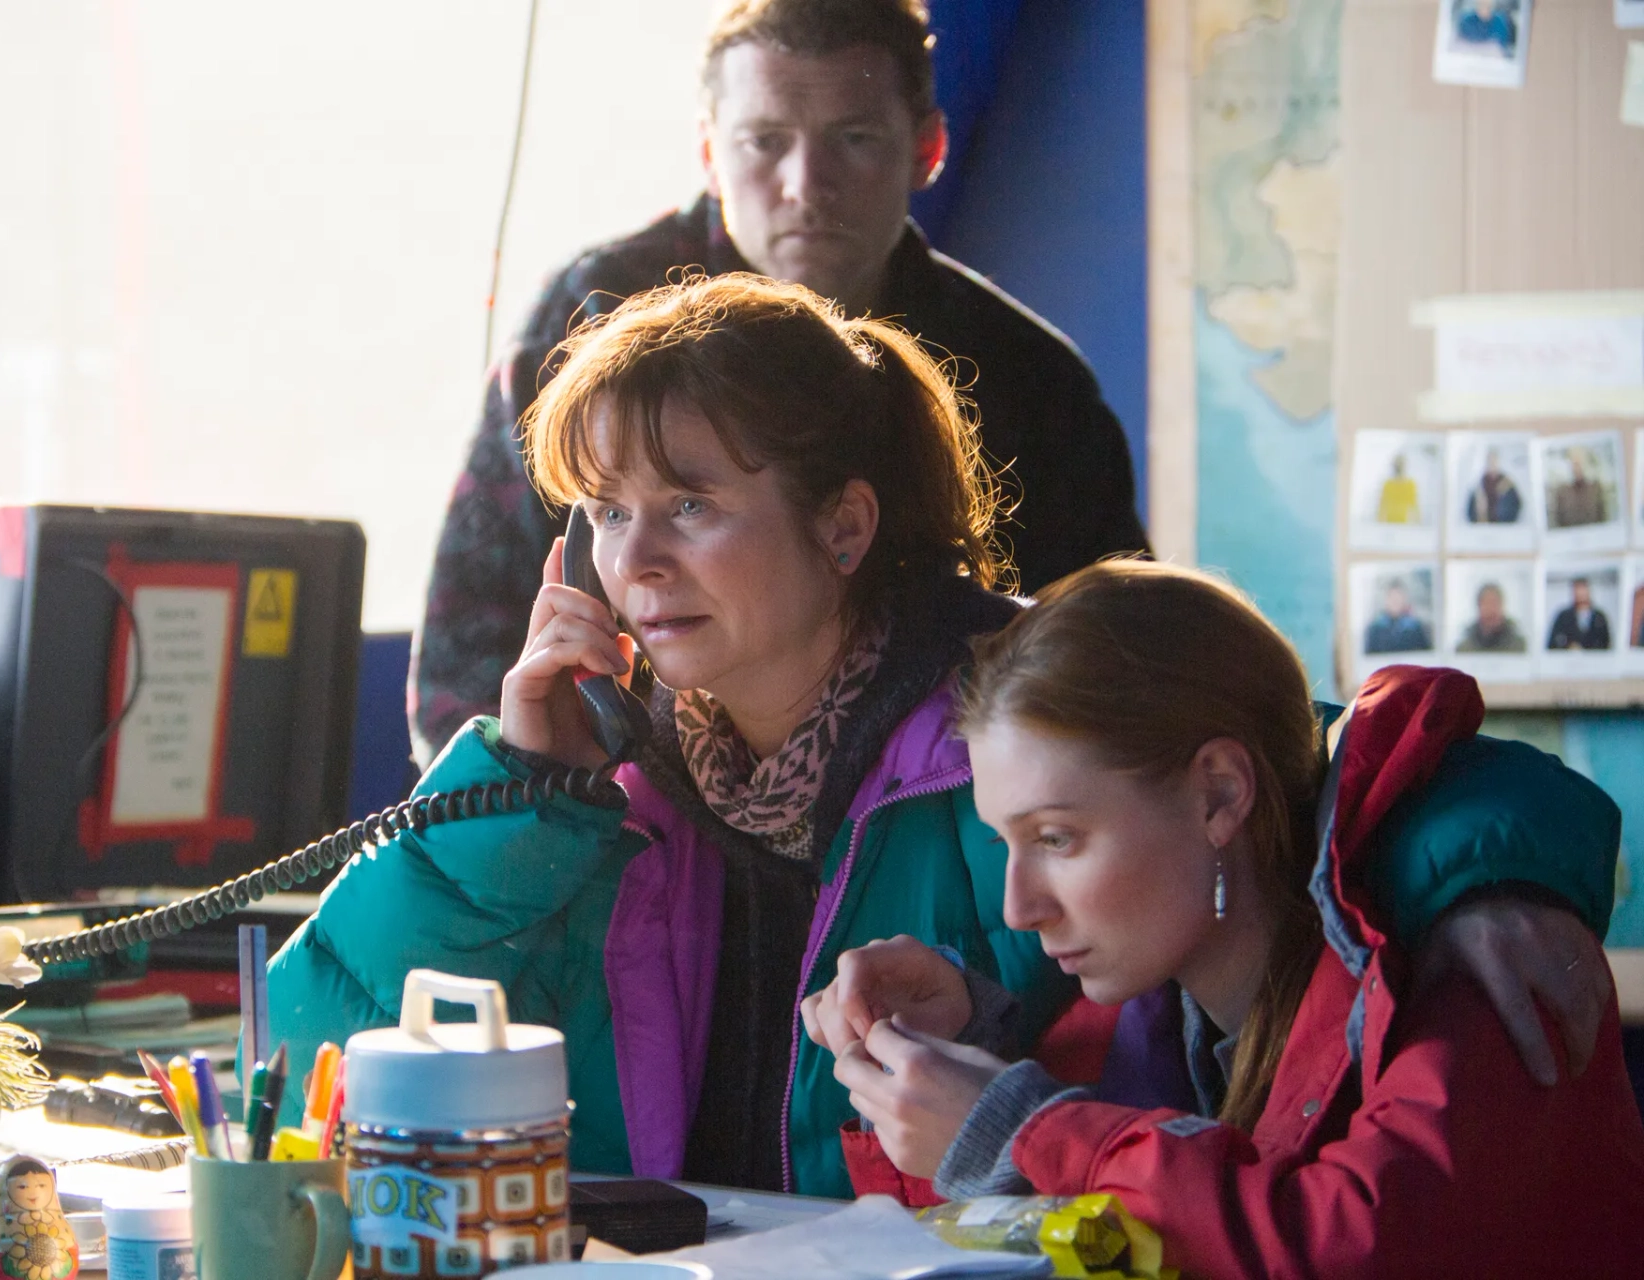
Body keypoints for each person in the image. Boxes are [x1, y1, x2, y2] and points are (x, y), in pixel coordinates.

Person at [269, 275, 1616, 1199]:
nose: (637, 561)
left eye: (689, 504)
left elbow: (1298, 763)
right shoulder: (589, 782)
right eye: (609, 513)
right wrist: (516, 790)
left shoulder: (1017, 700)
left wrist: (1480, 880)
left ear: (844, 527)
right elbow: (308, 1047)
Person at [804, 563, 1640, 1275]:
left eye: (1057, 837)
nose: (1019, 908)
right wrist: (965, 1059)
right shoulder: (1143, 1005)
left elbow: (1352, 1252)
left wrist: (1025, 1129)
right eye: (1006, 843)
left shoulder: (1479, 976)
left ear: (1220, 794)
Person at [409, 0, 1149, 762]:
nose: (806, 183)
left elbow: (1114, 668)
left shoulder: (1029, 377)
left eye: (854, 139)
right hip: (634, 820)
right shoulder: (593, 318)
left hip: (947, 809)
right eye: (765, 142)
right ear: (707, 150)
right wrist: (529, 807)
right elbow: (464, 665)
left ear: (928, 147)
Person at [1363, 578, 1430, 653]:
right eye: (1391, 597)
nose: (1395, 600)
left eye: (1399, 596)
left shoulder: (1416, 627)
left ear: (1404, 599)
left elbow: (1426, 655)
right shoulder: (1375, 629)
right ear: (1386, 599)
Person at [1455, 581, 1525, 652]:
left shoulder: (1519, 647)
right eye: (1486, 603)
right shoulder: (1464, 649)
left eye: (1495, 603)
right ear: (1479, 606)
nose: (1491, 609)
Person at [1547, 576, 1611, 650]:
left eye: (1583, 589)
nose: (1580, 594)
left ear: (1588, 591)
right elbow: (1553, 645)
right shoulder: (1563, 617)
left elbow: (1606, 644)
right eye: (1577, 590)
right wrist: (1568, 647)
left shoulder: (1599, 617)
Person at [1549, 448, 1608, 528]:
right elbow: (1559, 520)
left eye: (1579, 464)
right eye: (1574, 465)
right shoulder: (1562, 492)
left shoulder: (1595, 489)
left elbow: (1602, 517)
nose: (1577, 469)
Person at [1465, 447, 1521, 524]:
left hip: (1503, 528)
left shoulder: (1507, 484)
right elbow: (1471, 511)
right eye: (1489, 460)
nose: (1492, 463)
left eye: (1494, 460)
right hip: (1484, 527)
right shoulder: (1479, 485)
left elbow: (1515, 505)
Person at [1375, 453, 1420, 525]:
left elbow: (1414, 505)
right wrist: (1380, 523)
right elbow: (1382, 505)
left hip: (1405, 524)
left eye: (1401, 465)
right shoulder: (1388, 484)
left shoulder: (1410, 484)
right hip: (1389, 523)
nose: (1399, 467)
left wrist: (1416, 523)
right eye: (1397, 465)